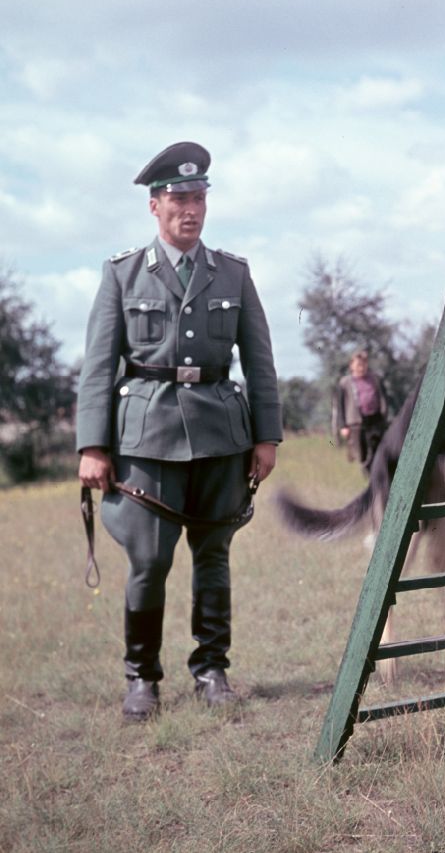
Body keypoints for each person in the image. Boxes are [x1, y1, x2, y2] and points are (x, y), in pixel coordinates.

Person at [76, 141, 283, 721]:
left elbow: (260, 361)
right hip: (146, 437)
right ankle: (141, 678)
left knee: (213, 556)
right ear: (154, 206)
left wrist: (266, 436)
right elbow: (98, 365)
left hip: (222, 434)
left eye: (198, 198)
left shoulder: (234, 274)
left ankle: (212, 670)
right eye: (178, 199)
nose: (190, 209)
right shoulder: (121, 274)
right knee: (149, 561)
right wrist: (93, 445)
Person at [335, 350, 388, 473]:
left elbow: (383, 398)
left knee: (379, 451)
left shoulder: (375, 379)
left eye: (364, 364)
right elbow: (340, 405)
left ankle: (379, 475)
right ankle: (368, 477)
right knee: (362, 455)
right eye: (358, 364)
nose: (362, 367)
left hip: (375, 420)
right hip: (356, 423)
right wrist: (343, 426)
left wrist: (384, 415)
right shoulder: (345, 383)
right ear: (351, 366)